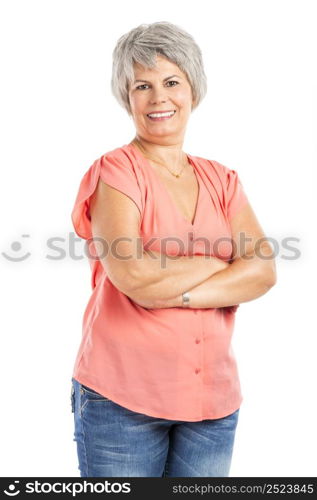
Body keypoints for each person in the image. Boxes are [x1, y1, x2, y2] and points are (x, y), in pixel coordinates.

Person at [70, 21, 277, 477]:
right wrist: (219, 263)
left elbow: (262, 271)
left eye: (171, 82)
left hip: (213, 405)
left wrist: (178, 291)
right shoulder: (116, 172)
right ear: (127, 97)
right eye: (142, 85)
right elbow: (135, 277)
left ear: (193, 91)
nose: (158, 98)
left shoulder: (222, 179)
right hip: (123, 402)